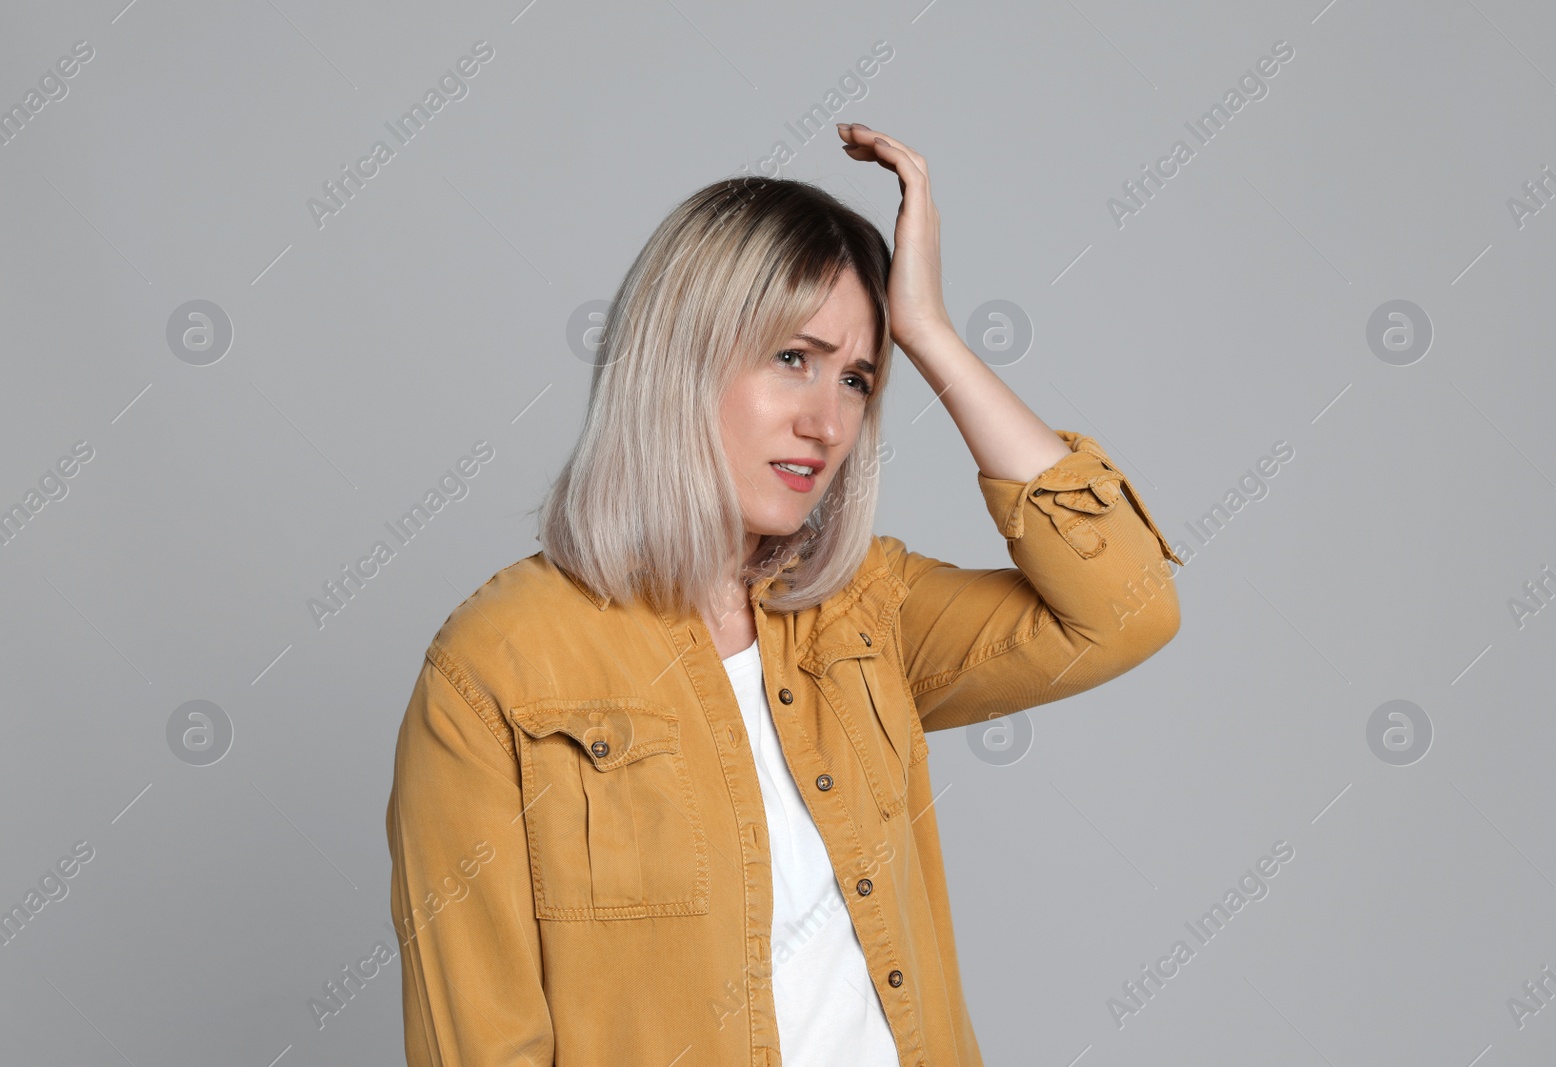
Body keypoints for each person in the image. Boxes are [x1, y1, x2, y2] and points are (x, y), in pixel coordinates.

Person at [385, 122, 1183, 1066]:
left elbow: (1124, 606)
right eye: (792, 359)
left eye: (857, 379)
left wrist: (927, 333)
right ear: (680, 354)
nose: (827, 420)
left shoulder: (863, 608)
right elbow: (480, 1043)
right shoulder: (498, 666)